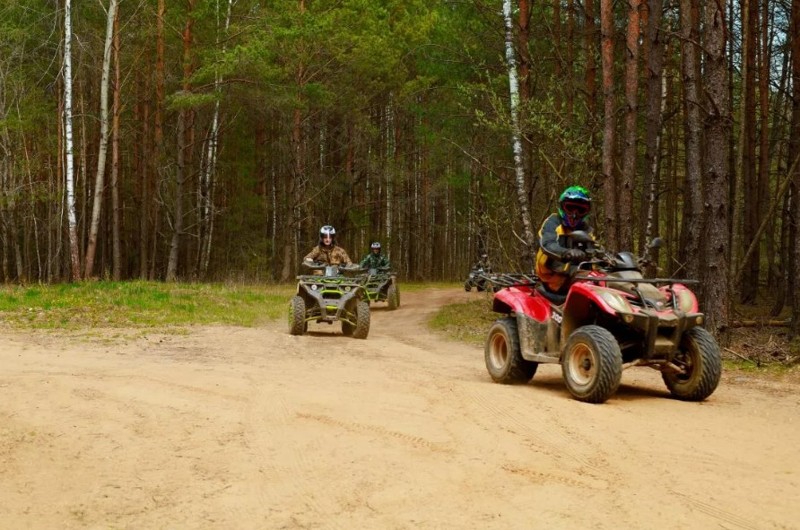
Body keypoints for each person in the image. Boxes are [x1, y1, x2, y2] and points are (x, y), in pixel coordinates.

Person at [535, 185, 595, 294]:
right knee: (588, 284)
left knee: (606, 281)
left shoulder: (586, 230)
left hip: (575, 274)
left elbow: (595, 249)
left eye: (581, 210)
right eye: (570, 208)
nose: (574, 214)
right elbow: (547, 244)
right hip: (552, 279)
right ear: (562, 207)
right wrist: (567, 252)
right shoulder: (553, 222)